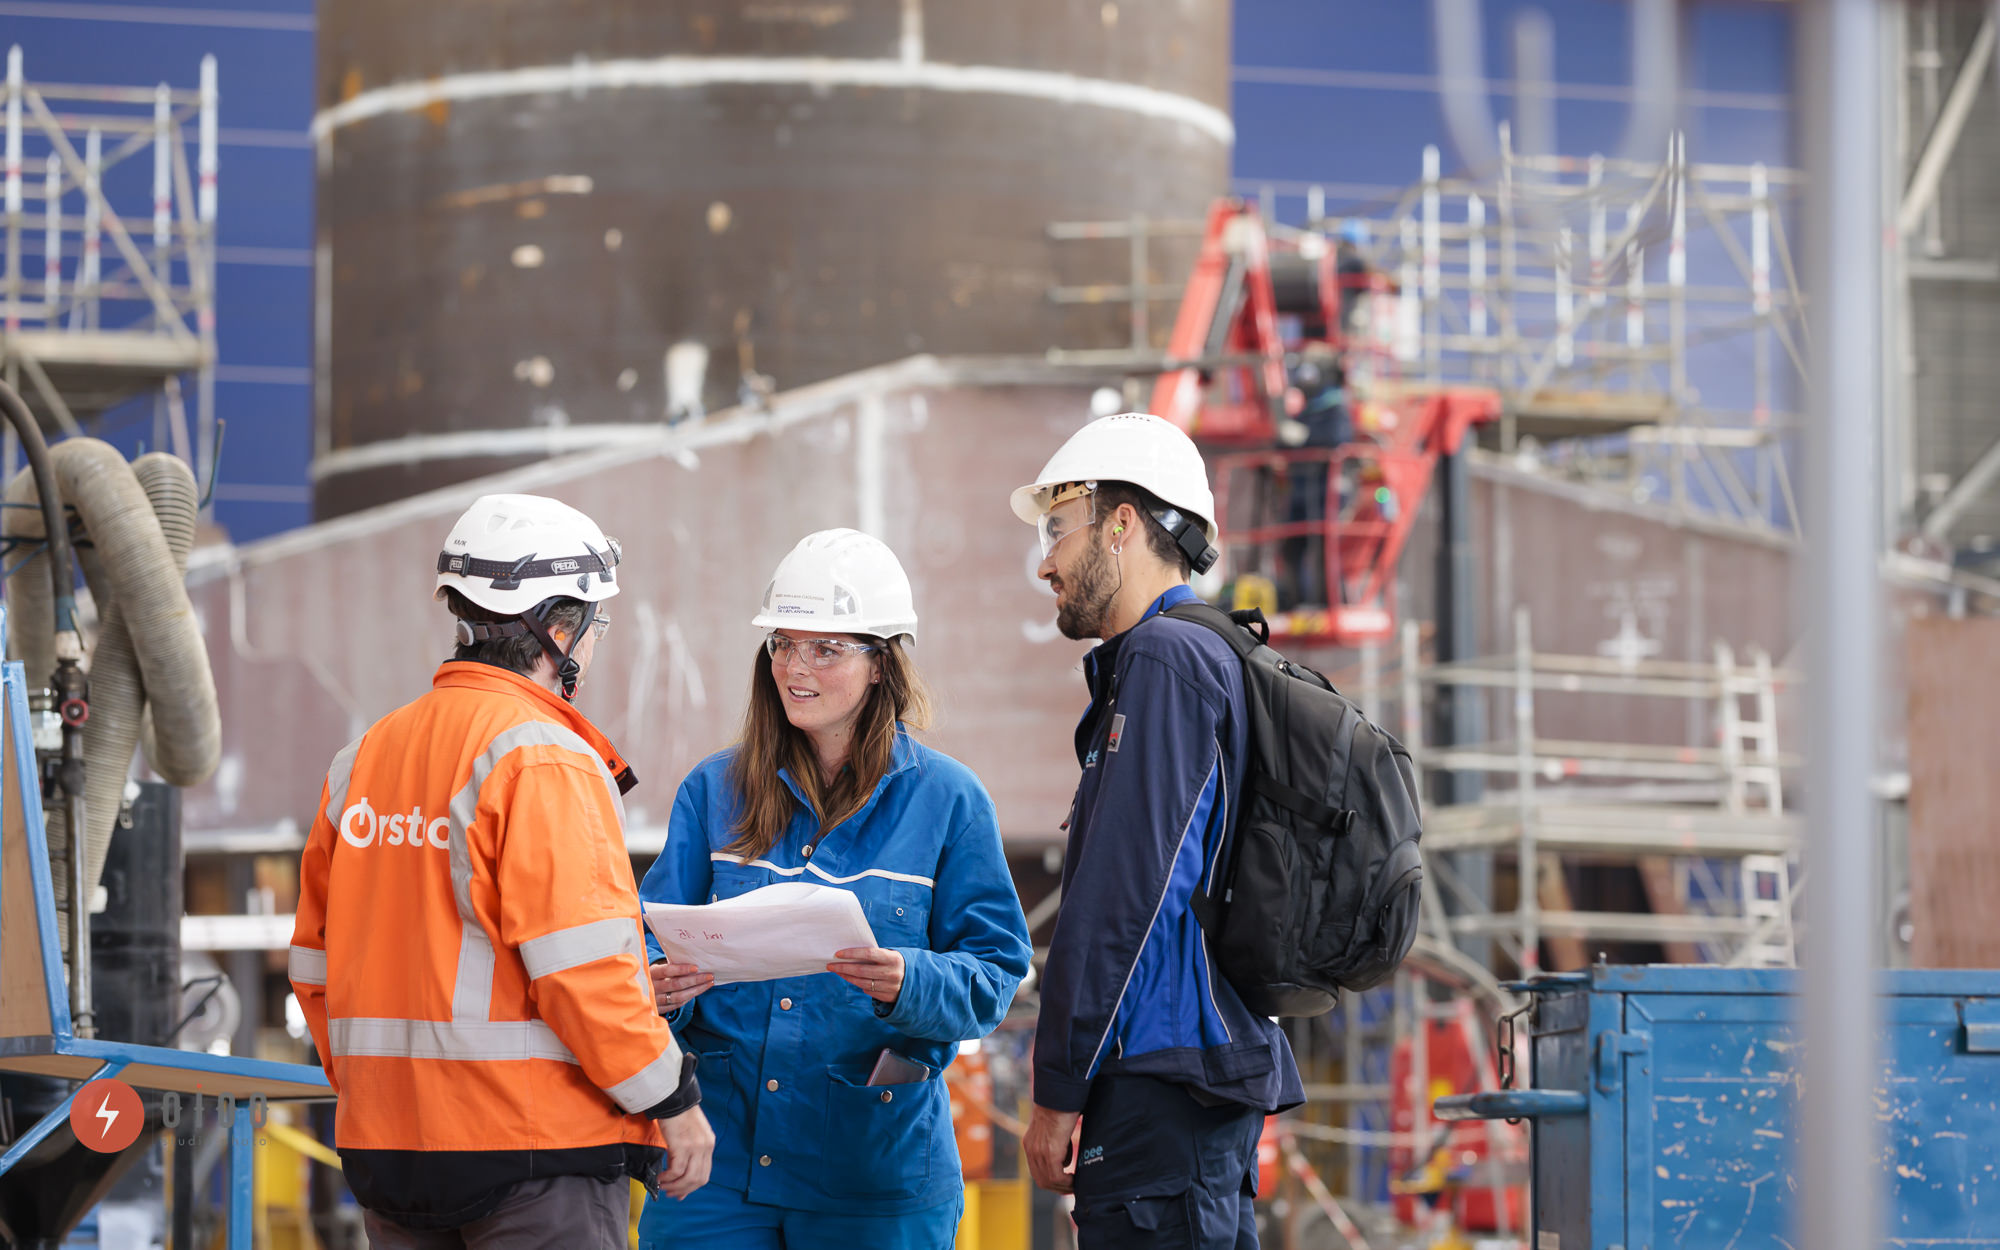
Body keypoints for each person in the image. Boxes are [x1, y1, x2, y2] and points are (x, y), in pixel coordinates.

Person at [288, 493, 714, 1248]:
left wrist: (381, 1093)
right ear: (558, 628)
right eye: (592, 621)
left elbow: (317, 965)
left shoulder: (363, 761)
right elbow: (584, 969)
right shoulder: (541, 757)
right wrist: (670, 1098)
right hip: (530, 1156)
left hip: (387, 1151)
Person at [636, 528, 1032, 1250]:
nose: (796, 667)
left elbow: (996, 972)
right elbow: (641, 943)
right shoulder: (713, 791)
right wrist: (655, 985)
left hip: (872, 1175)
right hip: (717, 1164)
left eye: (827, 649)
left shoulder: (947, 801)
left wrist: (907, 979)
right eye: (784, 644)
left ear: (882, 665)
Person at [1009, 413, 1305, 1249]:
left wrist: (1057, 1087)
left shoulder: (1166, 661)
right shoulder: (1201, 655)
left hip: (1161, 1084)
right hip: (1185, 1089)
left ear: (1123, 526)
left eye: (1058, 529)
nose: (1046, 560)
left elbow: (1123, 898)